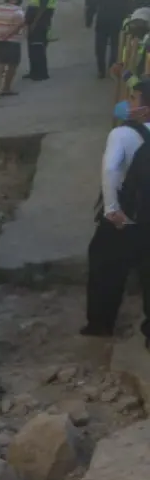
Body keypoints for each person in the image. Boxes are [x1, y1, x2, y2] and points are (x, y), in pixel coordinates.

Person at [82, 80, 150, 344]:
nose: (127, 103)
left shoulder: (123, 134)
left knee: (105, 265)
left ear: (145, 107)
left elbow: (111, 170)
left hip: (126, 216)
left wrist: (112, 209)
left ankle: (100, 324)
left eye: (133, 99)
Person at [0, 0, 25, 99]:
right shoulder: (18, 11)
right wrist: (7, 35)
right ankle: (6, 87)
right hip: (12, 42)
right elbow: (19, 25)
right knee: (13, 65)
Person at [95, 0, 129, 79]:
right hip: (117, 18)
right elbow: (127, 0)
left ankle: (101, 70)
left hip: (103, 17)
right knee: (115, 44)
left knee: (100, 45)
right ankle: (112, 68)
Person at [23, 0, 57, 81]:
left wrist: (34, 23)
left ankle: (41, 73)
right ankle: (34, 72)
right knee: (33, 48)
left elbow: (42, 8)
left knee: (37, 48)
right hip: (39, 22)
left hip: (39, 23)